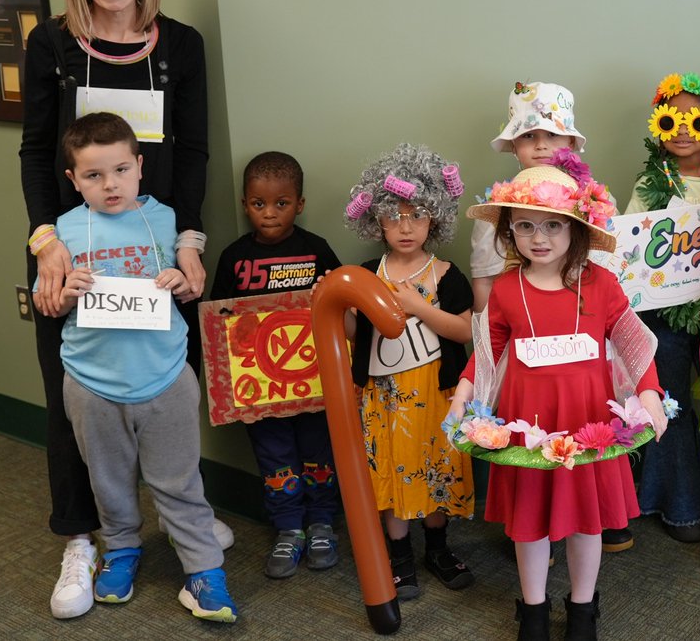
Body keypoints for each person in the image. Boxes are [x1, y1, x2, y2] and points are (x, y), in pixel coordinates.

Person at [19, 0, 226, 620]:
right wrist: (45, 240)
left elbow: (193, 151)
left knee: (167, 391)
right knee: (75, 402)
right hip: (72, 251)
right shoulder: (50, 45)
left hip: (158, 252)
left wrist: (191, 240)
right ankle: (84, 539)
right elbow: (34, 148)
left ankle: (183, 520)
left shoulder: (182, 46)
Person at [447, 159, 669, 641]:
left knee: (587, 523)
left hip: (586, 423)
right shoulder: (506, 290)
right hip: (528, 428)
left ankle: (584, 607)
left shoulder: (602, 285)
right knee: (531, 525)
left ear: (576, 230)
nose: (538, 237)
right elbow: (486, 354)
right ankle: (532, 610)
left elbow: (632, 343)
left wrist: (649, 392)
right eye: (524, 226)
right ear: (509, 233)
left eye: (552, 225)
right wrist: (464, 393)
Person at [48, 113, 238, 622]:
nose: (109, 185)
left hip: (166, 375)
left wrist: (178, 275)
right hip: (92, 382)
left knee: (178, 480)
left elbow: (186, 281)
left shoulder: (167, 220)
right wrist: (66, 293)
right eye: (93, 175)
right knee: (108, 481)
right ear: (73, 180)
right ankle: (122, 549)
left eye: (120, 170)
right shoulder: (63, 230)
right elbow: (53, 305)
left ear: (139, 166)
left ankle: (203, 570)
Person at [345, 144, 476, 600]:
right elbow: (353, 333)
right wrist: (333, 301)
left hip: (436, 396)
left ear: (434, 219)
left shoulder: (446, 273)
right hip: (383, 398)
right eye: (394, 216)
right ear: (376, 220)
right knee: (390, 474)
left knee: (436, 470)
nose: (405, 226)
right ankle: (398, 555)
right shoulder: (365, 275)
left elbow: (463, 331)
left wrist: (420, 306)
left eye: (417, 215)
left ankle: (437, 549)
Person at [209, 151, 343, 579]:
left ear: (299, 204)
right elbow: (218, 324)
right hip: (259, 393)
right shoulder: (233, 258)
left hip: (314, 385)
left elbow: (342, 304)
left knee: (320, 454)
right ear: (245, 204)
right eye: (258, 204)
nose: (269, 214)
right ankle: (288, 528)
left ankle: (322, 524)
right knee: (275, 460)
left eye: (281, 204)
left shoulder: (315, 251)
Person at [622, 71, 700, 546]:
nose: (685, 128)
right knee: (672, 404)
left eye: (697, 117)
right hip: (664, 316)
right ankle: (681, 504)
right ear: (660, 125)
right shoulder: (652, 180)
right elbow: (631, 245)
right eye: (674, 120)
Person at [471, 80, 587, 313]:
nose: (541, 146)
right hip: (520, 322)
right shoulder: (494, 211)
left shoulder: (591, 202)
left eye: (553, 134)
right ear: (513, 144)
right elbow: (484, 281)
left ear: (571, 142)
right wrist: (489, 341)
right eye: (528, 136)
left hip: (579, 321)